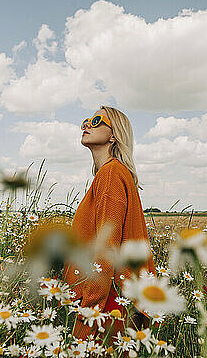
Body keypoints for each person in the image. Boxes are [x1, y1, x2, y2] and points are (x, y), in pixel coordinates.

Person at [62, 105, 156, 340]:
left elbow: (106, 249)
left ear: (114, 135)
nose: (86, 125)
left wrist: (90, 311)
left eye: (96, 121)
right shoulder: (112, 173)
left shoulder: (111, 174)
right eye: (85, 120)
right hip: (116, 295)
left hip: (108, 301)